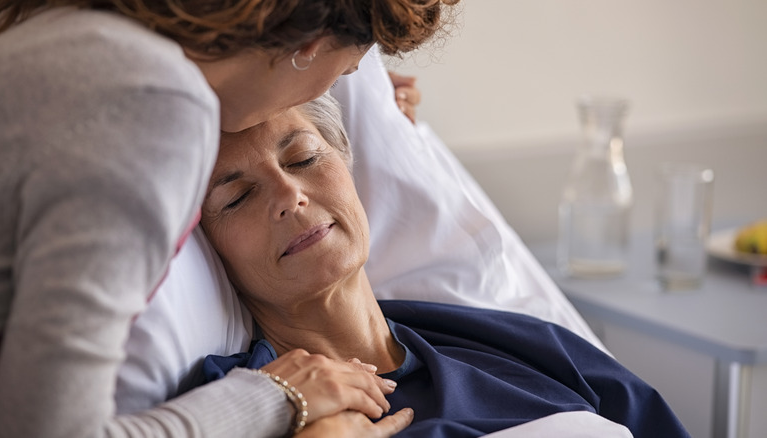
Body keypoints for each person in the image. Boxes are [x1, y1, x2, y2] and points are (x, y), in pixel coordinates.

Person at [0, 1, 459, 437]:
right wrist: (277, 396)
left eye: (305, 158)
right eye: (346, 71)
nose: (291, 198)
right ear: (308, 48)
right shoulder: (151, 108)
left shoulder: (71, 41)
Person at [197, 93, 692, 438]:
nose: (290, 195)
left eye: (303, 158)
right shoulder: (239, 405)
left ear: (347, 166)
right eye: (237, 198)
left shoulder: (522, 346)